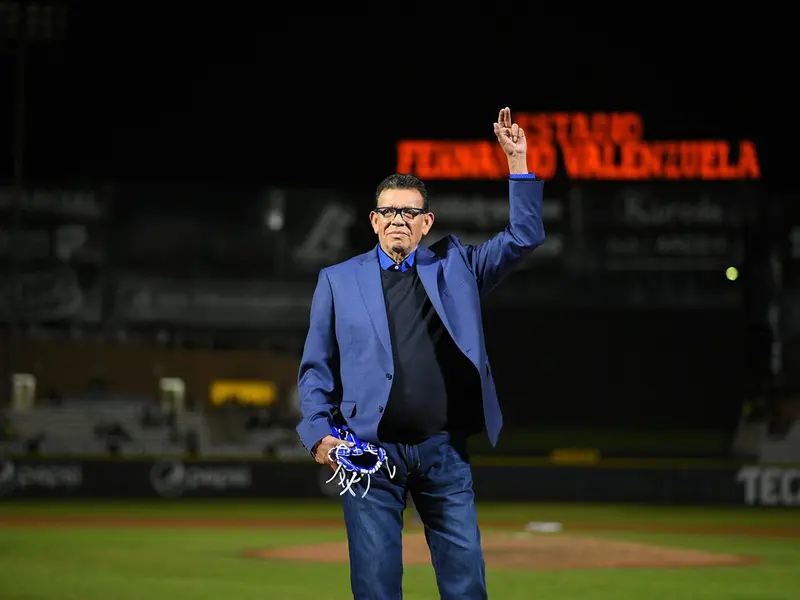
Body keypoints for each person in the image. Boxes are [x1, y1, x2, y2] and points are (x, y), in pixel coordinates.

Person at [296, 107, 545, 599]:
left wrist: (518, 162)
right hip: (367, 455)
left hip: (442, 453)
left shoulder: (459, 267)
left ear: (426, 221)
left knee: (466, 584)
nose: (397, 220)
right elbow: (315, 370)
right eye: (388, 211)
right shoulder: (337, 281)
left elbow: (524, 237)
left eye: (409, 212)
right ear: (373, 220)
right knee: (375, 588)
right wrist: (318, 435)